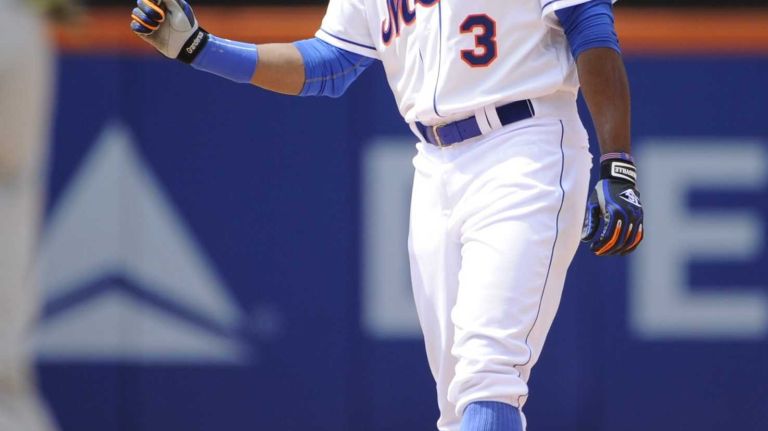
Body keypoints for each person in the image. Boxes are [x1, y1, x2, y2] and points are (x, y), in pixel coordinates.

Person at [130, 0, 644, 429]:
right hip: (435, 163)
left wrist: (616, 160)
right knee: (455, 400)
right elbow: (327, 64)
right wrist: (202, 48)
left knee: (489, 372)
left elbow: (590, 26)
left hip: (527, 144)